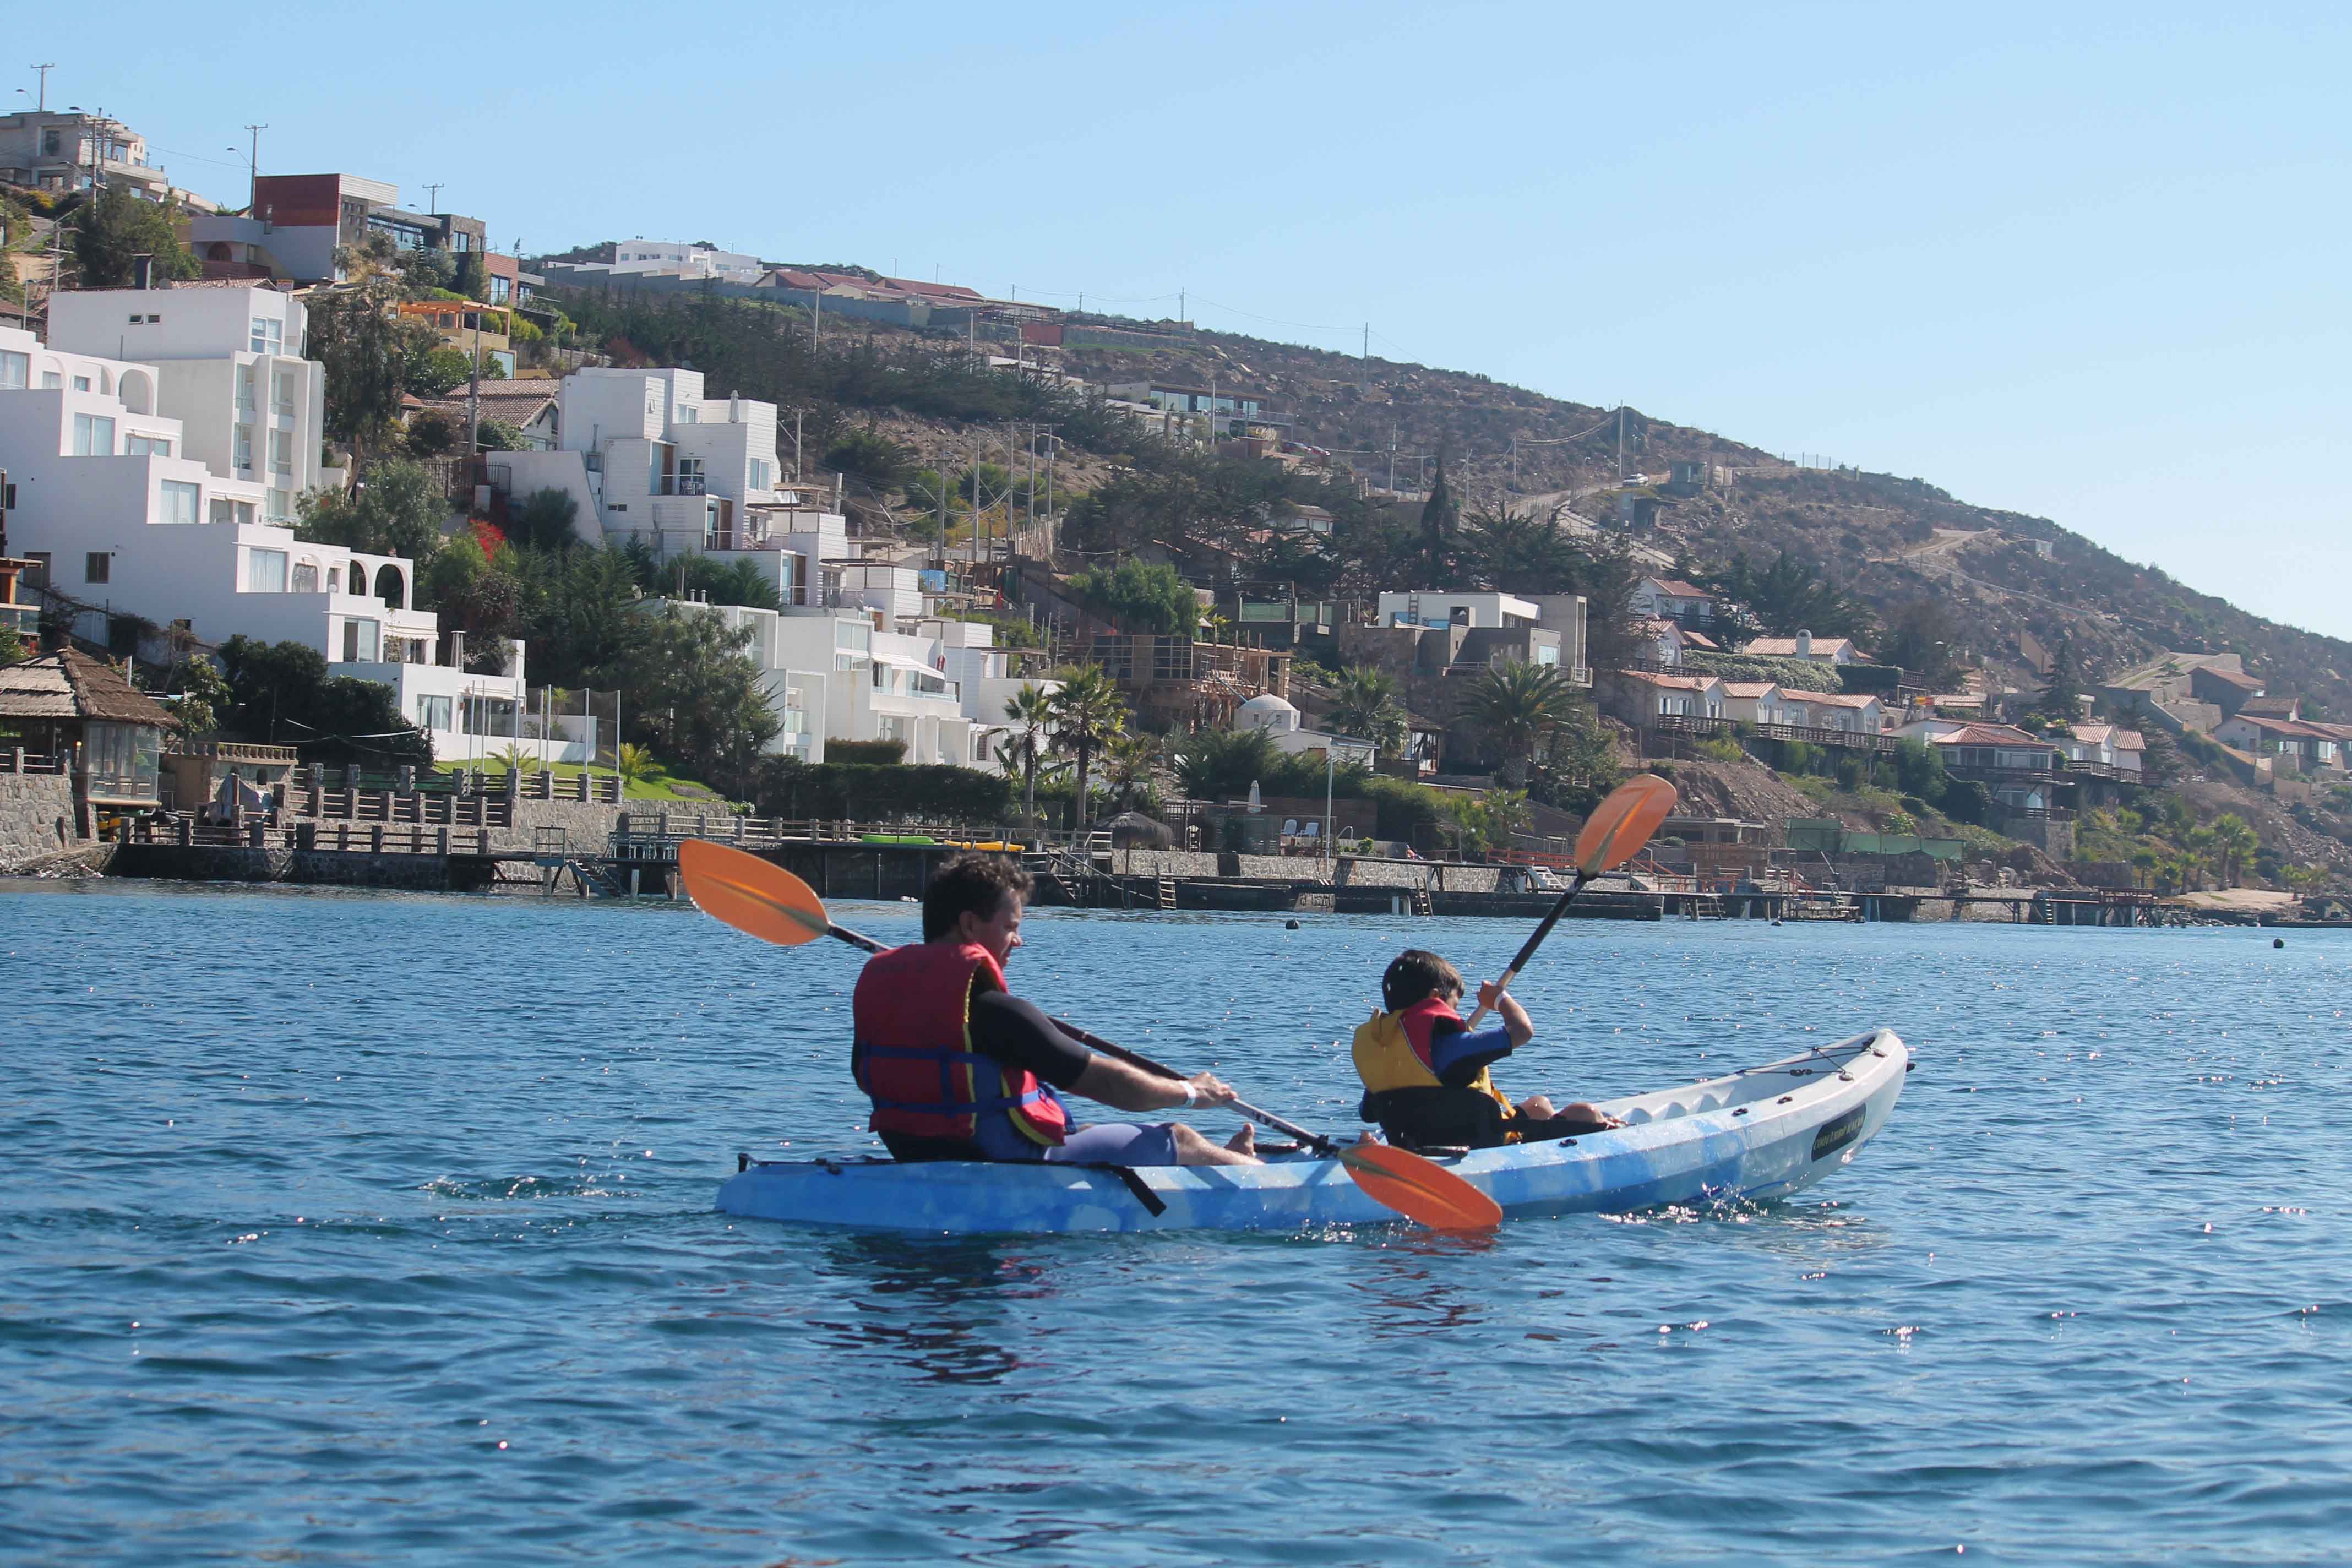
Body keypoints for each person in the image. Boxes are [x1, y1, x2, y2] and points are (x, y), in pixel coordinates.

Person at [853, 853, 1262, 1167]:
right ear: (970, 925)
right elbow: (1110, 1085)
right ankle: (1251, 1171)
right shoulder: (999, 1013)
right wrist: (1191, 1092)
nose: (1018, 941)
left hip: (915, 1158)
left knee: (1084, 1131)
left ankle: (1226, 1158)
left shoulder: (881, 996)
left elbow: (865, 1076)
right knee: (1180, 1137)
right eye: (1011, 927)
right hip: (1003, 1164)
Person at [1350, 948, 1623, 1151]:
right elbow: (1522, 1031)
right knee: (1585, 1112)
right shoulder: (1449, 1047)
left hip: (1413, 1143)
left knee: (1539, 1104)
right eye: (1454, 1005)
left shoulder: (1380, 1051)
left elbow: (1369, 1113)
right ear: (1435, 998)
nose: (1456, 1013)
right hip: (1482, 1145)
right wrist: (1499, 999)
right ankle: (1615, 1134)